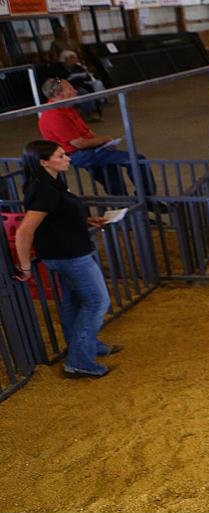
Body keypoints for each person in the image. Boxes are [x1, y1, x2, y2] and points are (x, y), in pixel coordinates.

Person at [10, 140, 118, 378]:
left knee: (74, 302)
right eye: (61, 156)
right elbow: (24, 231)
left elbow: (56, 218)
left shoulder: (51, 183)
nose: (68, 158)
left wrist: (86, 221)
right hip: (70, 255)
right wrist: (25, 267)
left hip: (66, 251)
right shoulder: (45, 190)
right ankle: (79, 360)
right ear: (44, 162)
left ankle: (85, 346)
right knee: (97, 302)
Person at [37, 77, 156, 198]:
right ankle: (145, 198)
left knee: (111, 173)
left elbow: (86, 133)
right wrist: (104, 139)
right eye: (70, 89)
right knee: (136, 159)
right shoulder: (54, 114)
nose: (75, 91)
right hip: (75, 154)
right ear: (58, 94)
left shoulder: (65, 109)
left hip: (83, 151)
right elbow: (79, 143)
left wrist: (101, 143)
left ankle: (128, 207)